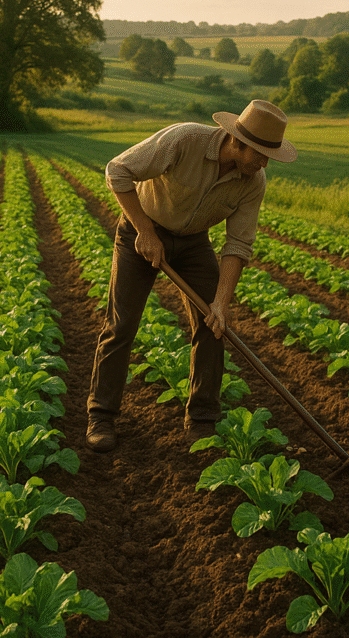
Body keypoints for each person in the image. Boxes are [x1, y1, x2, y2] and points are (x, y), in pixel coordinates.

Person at [86, 99, 297, 452]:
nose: (262, 164)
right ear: (237, 142)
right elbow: (117, 171)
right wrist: (145, 232)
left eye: (267, 157)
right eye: (259, 155)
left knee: (213, 325)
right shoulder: (184, 140)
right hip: (141, 233)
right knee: (121, 325)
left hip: (194, 242)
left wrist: (221, 302)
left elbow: (238, 244)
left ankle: (201, 420)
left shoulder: (252, 181)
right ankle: (101, 416)